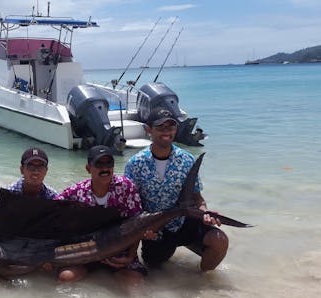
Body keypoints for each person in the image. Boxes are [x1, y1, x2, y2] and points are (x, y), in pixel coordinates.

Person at [124, 107, 229, 271]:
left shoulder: (187, 159)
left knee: (219, 240)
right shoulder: (135, 164)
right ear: (148, 129)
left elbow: (197, 198)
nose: (166, 132)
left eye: (170, 127)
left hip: (184, 222)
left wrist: (205, 212)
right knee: (154, 267)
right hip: (156, 232)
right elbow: (130, 208)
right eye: (160, 127)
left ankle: (201, 283)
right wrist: (143, 232)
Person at [56, 145, 153, 288]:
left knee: (135, 284)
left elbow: (137, 225)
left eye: (109, 164)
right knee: (66, 278)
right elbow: (50, 215)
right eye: (99, 164)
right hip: (86, 255)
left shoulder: (127, 187)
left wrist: (130, 256)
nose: (105, 169)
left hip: (120, 253)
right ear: (88, 168)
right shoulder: (74, 193)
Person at [0, 147, 59, 223]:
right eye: (31, 167)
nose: (36, 172)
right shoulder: (5, 194)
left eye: (40, 167)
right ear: (22, 170)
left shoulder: (53, 197)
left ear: (46, 171)